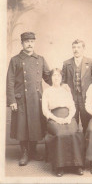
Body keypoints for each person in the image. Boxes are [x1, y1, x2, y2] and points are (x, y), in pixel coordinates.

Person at [7, 32, 51, 166]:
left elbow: (48, 77)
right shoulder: (15, 60)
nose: (30, 44)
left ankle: (33, 150)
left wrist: (61, 84)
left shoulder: (41, 59)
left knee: (35, 125)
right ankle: (24, 152)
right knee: (22, 126)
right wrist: (12, 100)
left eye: (32, 41)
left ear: (34, 43)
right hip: (21, 99)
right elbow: (10, 81)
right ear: (22, 44)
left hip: (36, 99)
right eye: (27, 41)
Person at [42, 68, 85, 177]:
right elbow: (45, 110)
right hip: (54, 118)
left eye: (58, 75)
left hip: (68, 117)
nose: (56, 77)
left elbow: (72, 107)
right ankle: (59, 166)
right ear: (51, 78)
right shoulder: (47, 91)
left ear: (61, 78)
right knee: (60, 134)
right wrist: (57, 119)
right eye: (54, 75)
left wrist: (69, 117)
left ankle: (77, 165)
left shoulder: (66, 90)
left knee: (73, 133)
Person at [62, 39, 92, 134]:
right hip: (72, 97)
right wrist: (64, 86)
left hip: (86, 97)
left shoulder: (90, 62)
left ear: (84, 49)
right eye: (74, 47)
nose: (76, 49)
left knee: (87, 121)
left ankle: (86, 143)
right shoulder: (66, 63)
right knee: (73, 121)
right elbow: (63, 81)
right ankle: (75, 145)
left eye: (78, 47)